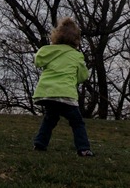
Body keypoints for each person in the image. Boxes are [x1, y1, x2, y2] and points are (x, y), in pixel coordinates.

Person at [33, 16, 94, 156]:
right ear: (76, 40)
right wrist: (74, 79)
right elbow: (83, 76)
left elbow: (37, 61)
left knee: (50, 119)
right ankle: (84, 148)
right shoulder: (77, 56)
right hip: (66, 94)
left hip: (47, 93)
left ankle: (40, 144)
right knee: (77, 122)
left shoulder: (47, 50)